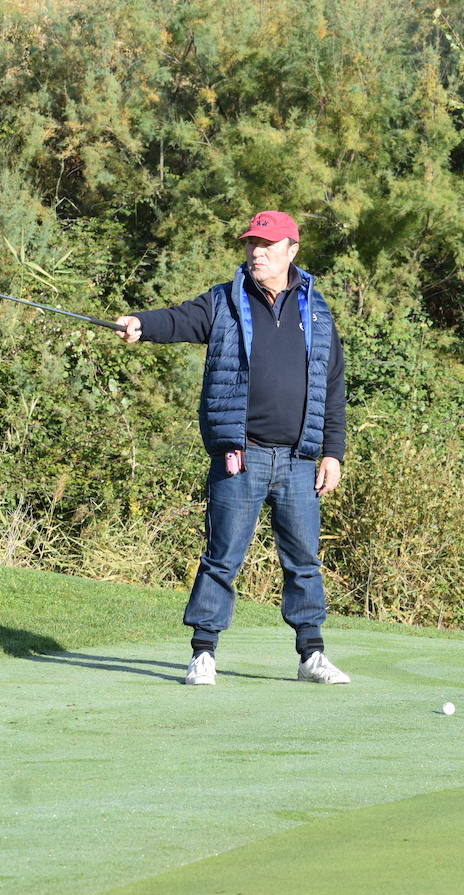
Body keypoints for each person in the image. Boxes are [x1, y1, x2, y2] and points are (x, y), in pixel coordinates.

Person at [114, 210, 351, 686]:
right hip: (241, 456)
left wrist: (333, 453)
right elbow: (181, 319)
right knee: (222, 557)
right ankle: (203, 654)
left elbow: (332, 386)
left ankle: (312, 655)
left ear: (291, 250)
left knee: (304, 560)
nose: (256, 252)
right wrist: (142, 323)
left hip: (301, 460)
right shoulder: (225, 301)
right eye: (250, 244)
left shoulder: (318, 311)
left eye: (266, 244)